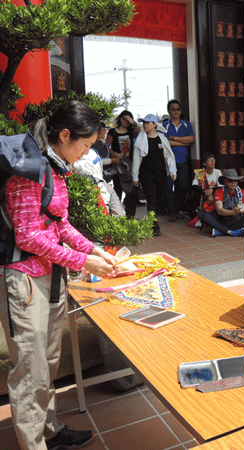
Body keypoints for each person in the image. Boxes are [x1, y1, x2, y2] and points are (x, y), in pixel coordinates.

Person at [0, 100, 118, 450]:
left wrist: (91, 250)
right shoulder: (28, 169)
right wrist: (83, 263)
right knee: (30, 367)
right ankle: (33, 443)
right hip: (24, 279)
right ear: (64, 135)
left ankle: (48, 428)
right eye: (83, 146)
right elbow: (28, 236)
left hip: (50, 275)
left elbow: (60, 224)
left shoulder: (54, 166)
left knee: (48, 359)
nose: (83, 155)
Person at [131, 114, 177, 237]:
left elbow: (169, 156)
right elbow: (136, 160)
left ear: (155, 125)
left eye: (148, 123)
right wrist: (135, 177)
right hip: (147, 175)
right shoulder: (140, 140)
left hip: (161, 174)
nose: (146, 125)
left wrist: (173, 171)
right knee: (151, 199)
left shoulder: (162, 138)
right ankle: (154, 225)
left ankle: (153, 218)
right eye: (144, 123)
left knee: (160, 200)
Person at [163, 100, 195, 221]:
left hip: (183, 160)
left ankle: (176, 210)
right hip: (168, 161)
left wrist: (174, 138)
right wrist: (182, 141)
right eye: (173, 109)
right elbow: (166, 142)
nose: (176, 111)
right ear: (169, 111)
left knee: (182, 186)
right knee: (169, 187)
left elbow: (191, 139)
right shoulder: (165, 125)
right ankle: (171, 212)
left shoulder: (186, 124)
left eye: (178, 109)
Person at [73, 144, 126, 217]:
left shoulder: (77, 157)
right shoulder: (87, 156)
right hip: (98, 187)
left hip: (99, 186)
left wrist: (112, 160)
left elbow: (101, 161)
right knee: (115, 216)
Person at [105, 110, 140, 218]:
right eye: (124, 118)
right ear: (120, 118)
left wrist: (133, 122)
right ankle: (116, 215)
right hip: (117, 164)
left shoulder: (131, 132)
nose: (126, 121)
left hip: (130, 165)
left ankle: (130, 216)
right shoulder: (113, 131)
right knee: (117, 189)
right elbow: (106, 146)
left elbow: (140, 134)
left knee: (131, 191)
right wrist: (115, 154)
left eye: (128, 119)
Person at [198, 169, 244, 237]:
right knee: (205, 216)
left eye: (235, 180)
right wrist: (234, 212)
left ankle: (222, 231)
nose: (233, 183)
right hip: (222, 218)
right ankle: (232, 232)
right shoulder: (219, 191)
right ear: (225, 181)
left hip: (235, 218)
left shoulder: (242, 192)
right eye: (230, 180)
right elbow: (219, 211)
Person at [190, 153, 222, 225]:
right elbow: (194, 184)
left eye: (213, 160)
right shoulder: (201, 172)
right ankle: (198, 215)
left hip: (214, 193)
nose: (212, 162)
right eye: (210, 160)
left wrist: (212, 191)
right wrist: (204, 192)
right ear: (204, 163)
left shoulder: (217, 172)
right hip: (204, 193)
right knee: (196, 193)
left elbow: (220, 186)